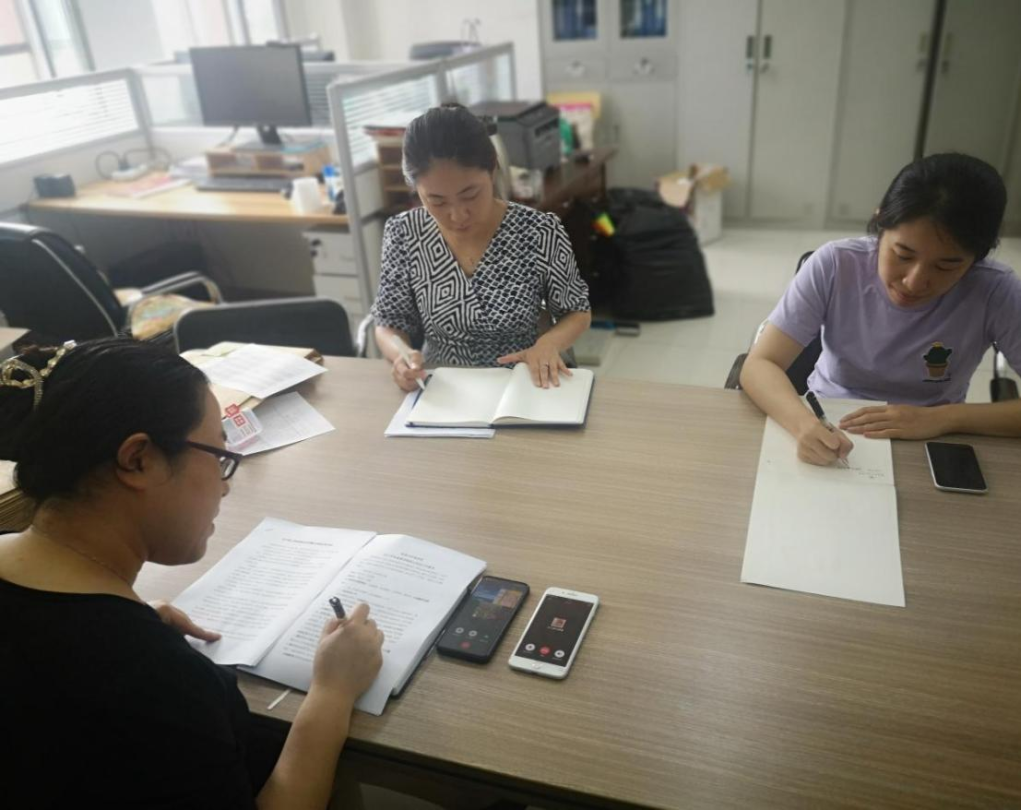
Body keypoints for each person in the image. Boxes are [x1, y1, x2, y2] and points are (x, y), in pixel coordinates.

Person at [0, 338, 384, 809]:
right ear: (138, 460)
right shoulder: (154, 684)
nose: (224, 488)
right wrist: (332, 693)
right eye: (218, 456)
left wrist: (127, 618)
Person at [740, 153, 1021, 466]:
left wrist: (945, 418)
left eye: (946, 266)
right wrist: (803, 425)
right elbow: (760, 364)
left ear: (978, 258)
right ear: (880, 222)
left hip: (931, 438)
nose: (914, 282)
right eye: (903, 255)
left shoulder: (995, 290)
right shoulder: (836, 264)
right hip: (830, 419)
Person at [372, 103, 592, 391]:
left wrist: (548, 343)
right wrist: (401, 357)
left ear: (492, 169)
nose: (457, 215)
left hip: (524, 378)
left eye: (470, 195)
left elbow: (577, 311)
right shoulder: (404, 233)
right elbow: (388, 322)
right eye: (437, 201)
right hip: (442, 385)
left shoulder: (538, 230)